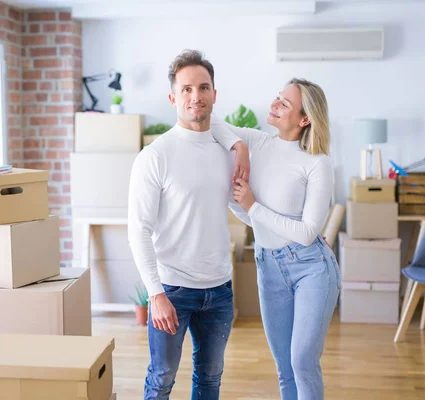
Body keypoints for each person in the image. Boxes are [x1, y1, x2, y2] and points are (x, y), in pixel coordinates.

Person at [127, 49, 249, 400]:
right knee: (161, 379)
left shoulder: (224, 150)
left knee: (210, 379)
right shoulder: (155, 155)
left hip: (219, 289)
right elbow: (139, 230)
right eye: (186, 89)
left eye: (203, 87)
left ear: (214, 94)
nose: (196, 96)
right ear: (173, 97)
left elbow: (236, 207)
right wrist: (156, 294)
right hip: (173, 289)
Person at [212, 78, 340, 400]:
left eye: (285, 103)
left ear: (304, 118)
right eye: (277, 97)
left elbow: (308, 231)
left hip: (311, 267)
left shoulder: (318, 163)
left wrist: (252, 204)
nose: (274, 104)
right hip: (268, 266)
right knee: (284, 367)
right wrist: (240, 149)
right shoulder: (256, 143)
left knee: (302, 362)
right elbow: (213, 123)